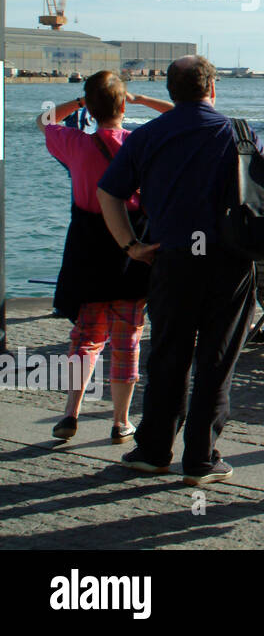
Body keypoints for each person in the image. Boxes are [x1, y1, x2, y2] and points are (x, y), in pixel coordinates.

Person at [97, 55, 264, 487]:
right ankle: (201, 458)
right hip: (227, 261)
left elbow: (108, 192)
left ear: (171, 92)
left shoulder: (146, 136)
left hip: (170, 258)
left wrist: (130, 246)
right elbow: (261, 198)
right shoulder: (239, 134)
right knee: (217, 359)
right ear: (213, 88)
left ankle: (154, 450)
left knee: (169, 354)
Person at [41, 73, 172, 442]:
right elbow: (180, 115)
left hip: (86, 247)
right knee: (126, 339)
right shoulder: (139, 143)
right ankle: (120, 420)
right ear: (123, 106)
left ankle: (71, 412)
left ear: (90, 107)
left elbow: (44, 119)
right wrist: (143, 98)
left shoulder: (73, 143)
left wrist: (82, 102)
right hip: (131, 245)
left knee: (84, 336)